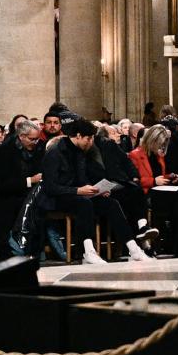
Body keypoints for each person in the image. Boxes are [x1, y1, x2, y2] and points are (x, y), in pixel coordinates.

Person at [39, 113, 134, 264]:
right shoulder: (55, 152)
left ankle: (133, 247)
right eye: (88, 138)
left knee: (111, 203)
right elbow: (50, 187)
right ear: (77, 136)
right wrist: (78, 191)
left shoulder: (82, 152)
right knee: (84, 204)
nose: (91, 142)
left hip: (79, 195)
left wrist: (97, 189)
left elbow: (84, 177)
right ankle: (88, 252)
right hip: (56, 198)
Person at [0, 117, 36, 261]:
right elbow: (4, 184)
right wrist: (31, 180)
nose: (36, 142)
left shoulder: (33, 149)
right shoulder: (5, 151)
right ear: (22, 136)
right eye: (32, 139)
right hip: (1, 201)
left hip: (19, 196)